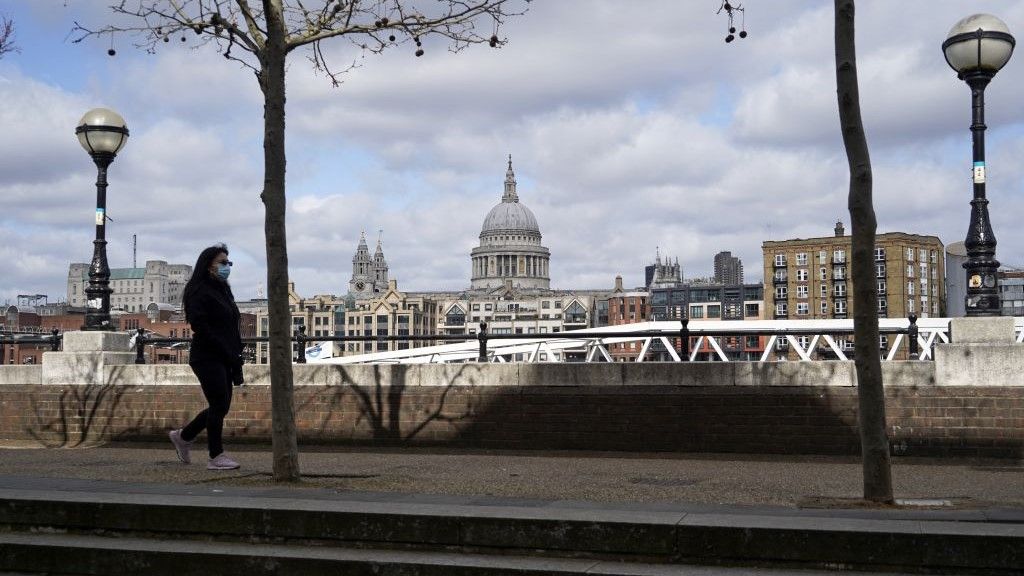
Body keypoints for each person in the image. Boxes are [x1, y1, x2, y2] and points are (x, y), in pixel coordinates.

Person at [169, 244, 245, 470]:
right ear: (208, 265)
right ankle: (215, 455)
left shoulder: (223, 290)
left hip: (225, 356)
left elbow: (230, 325)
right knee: (219, 403)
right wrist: (225, 349)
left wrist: (234, 353)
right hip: (207, 356)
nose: (227, 267)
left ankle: (183, 436)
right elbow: (200, 326)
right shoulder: (198, 290)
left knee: (221, 406)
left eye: (228, 263)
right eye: (222, 262)